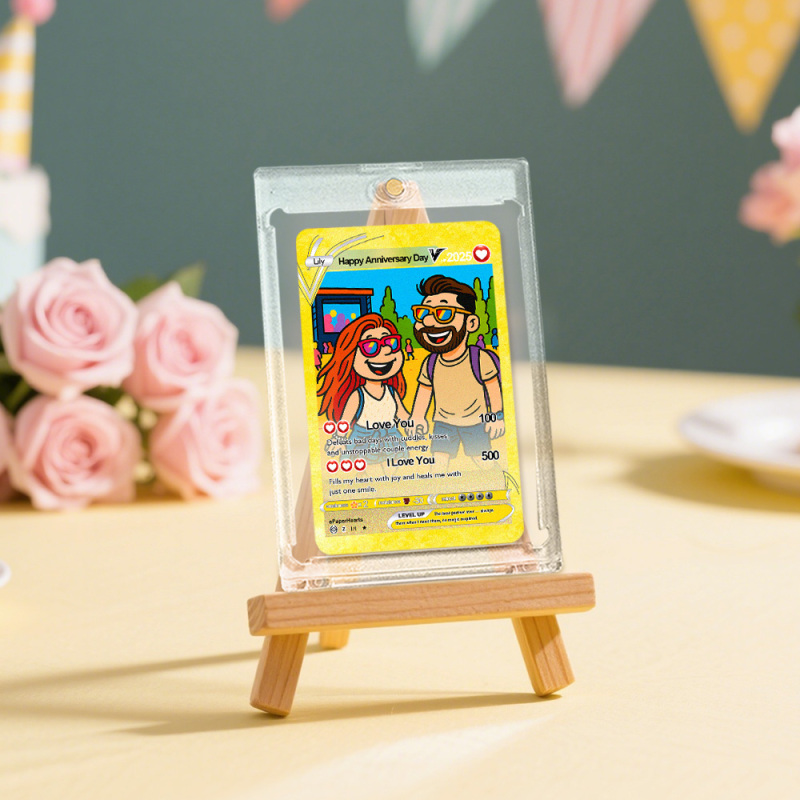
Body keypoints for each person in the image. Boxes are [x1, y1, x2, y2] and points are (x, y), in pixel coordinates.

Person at [409, 275, 504, 468]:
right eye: (424, 313)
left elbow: (493, 388)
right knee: (438, 463)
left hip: (476, 423)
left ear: (471, 323)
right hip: (443, 424)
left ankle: (500, 484)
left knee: (484, 463)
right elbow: (424, 391)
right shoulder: (431, 362)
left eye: (444, 313)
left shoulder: (479, 358)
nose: (430, 322)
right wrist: (417, 417)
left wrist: (497, 417)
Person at [317, 313, 410, 462]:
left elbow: (404, 416)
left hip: (392, 442)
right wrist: (338, 440)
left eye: (390, 343)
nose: (384, 351)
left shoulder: (391, 392)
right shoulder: (358, 395)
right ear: (352, 355)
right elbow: (345, 422)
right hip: (363, 444)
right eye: (370, 346)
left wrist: (413, 426)